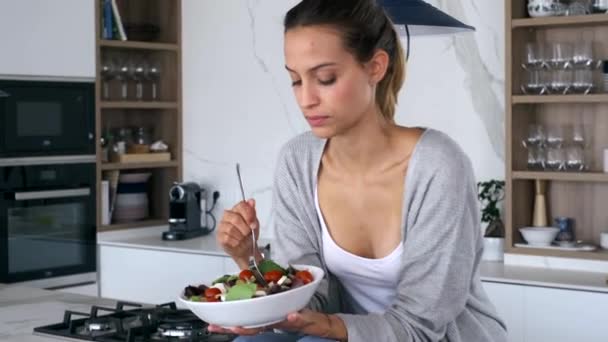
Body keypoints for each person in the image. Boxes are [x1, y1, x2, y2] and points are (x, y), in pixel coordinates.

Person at [210, 0, 508, 341]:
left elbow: (422, 324)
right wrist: (252, 261)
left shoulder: (438, 166)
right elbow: (313, 295)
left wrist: (326, 327)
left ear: (375, 67)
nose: (306, 99)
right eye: (295, 80)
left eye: (325, 78)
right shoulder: (297, 161)